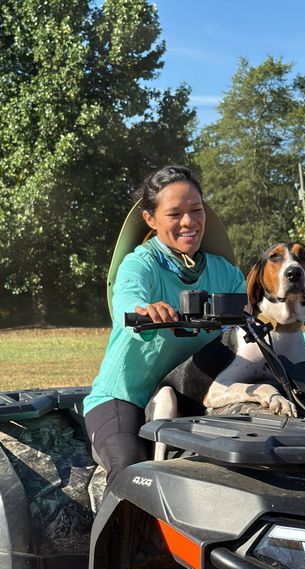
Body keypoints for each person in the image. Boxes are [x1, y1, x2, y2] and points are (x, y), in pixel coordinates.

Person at [83, 164, 246, 489]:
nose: (189, 222)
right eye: (175, 214)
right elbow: (126, 297)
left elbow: (260, 329)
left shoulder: (225, 273)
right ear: (150, 219)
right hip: (125, 397)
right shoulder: (140, 264)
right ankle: (117, 540)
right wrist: (142, 309)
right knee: (131, 472)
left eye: (196, 211)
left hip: (192, 395)